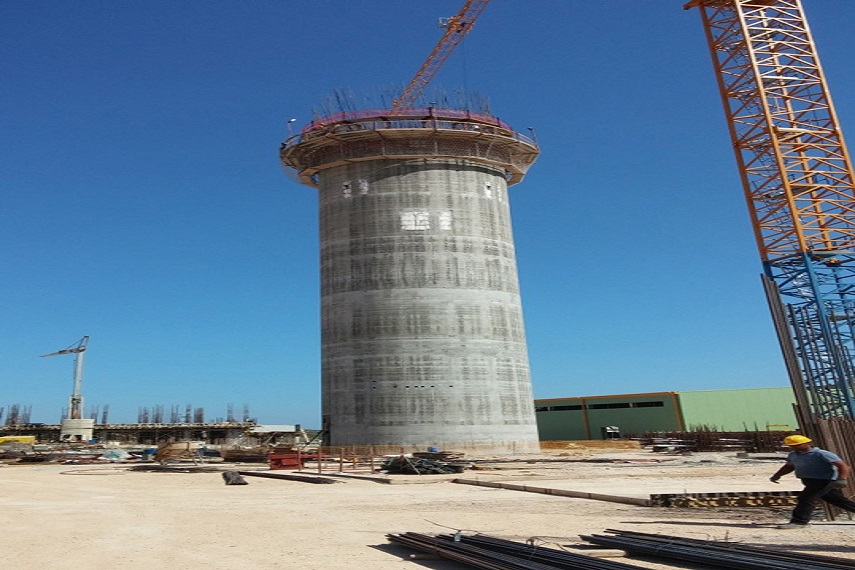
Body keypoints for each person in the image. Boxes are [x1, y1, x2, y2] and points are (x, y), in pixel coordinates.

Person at [769, 434, 855, 528]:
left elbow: (843, 466)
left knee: (806, 498)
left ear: (807, 443)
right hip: (808, 480)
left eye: (796, 445)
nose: (793, 447)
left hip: (823, 481)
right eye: (791, 446)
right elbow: (789, 466)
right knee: (838, 501)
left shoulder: (821, 454)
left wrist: (842, 479)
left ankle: (799, 521)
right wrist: (777, 475)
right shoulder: (793, 455)